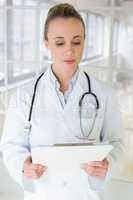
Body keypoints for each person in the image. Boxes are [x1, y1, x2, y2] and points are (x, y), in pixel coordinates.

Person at [0, 3, 124, 200]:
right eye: (60, 43)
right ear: (46, 43)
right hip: (43, 193)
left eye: (76, 42)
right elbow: (11, 146)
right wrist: (23, 167)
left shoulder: (104, 94)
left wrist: (108, 164)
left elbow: (117, 142)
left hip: (85, 194)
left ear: (84, 41)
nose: (69, 51)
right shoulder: (24, 95)